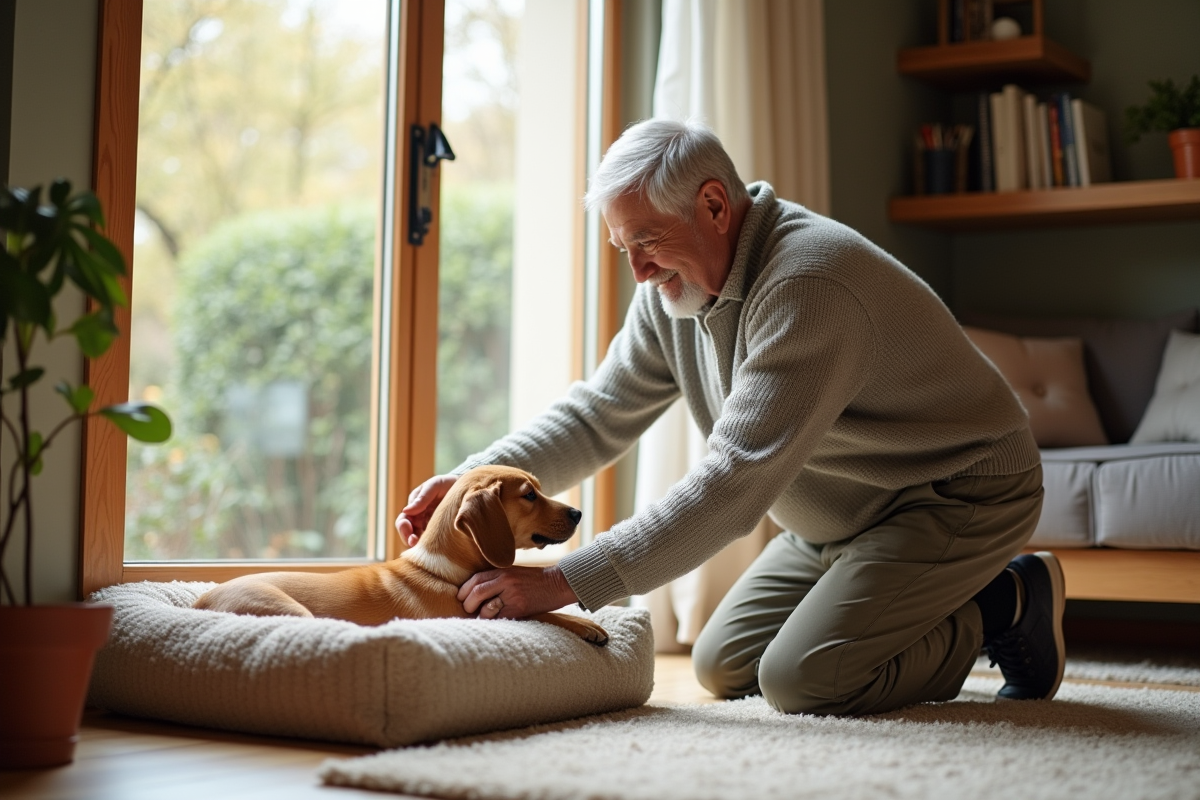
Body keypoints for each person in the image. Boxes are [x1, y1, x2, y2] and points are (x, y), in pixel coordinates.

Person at [396, 118, 1063, 716]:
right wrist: (464, 482)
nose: (638, 271)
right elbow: (598, 413)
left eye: (647, 241)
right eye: (621, 247)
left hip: (955, 494)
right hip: (838, 515)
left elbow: (732, 485)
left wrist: (562, 582)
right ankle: (918, 592)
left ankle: (1002, 602)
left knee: (805, 680)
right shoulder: (673, 292)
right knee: (724, 665)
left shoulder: (808, 284)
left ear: (713, 205)